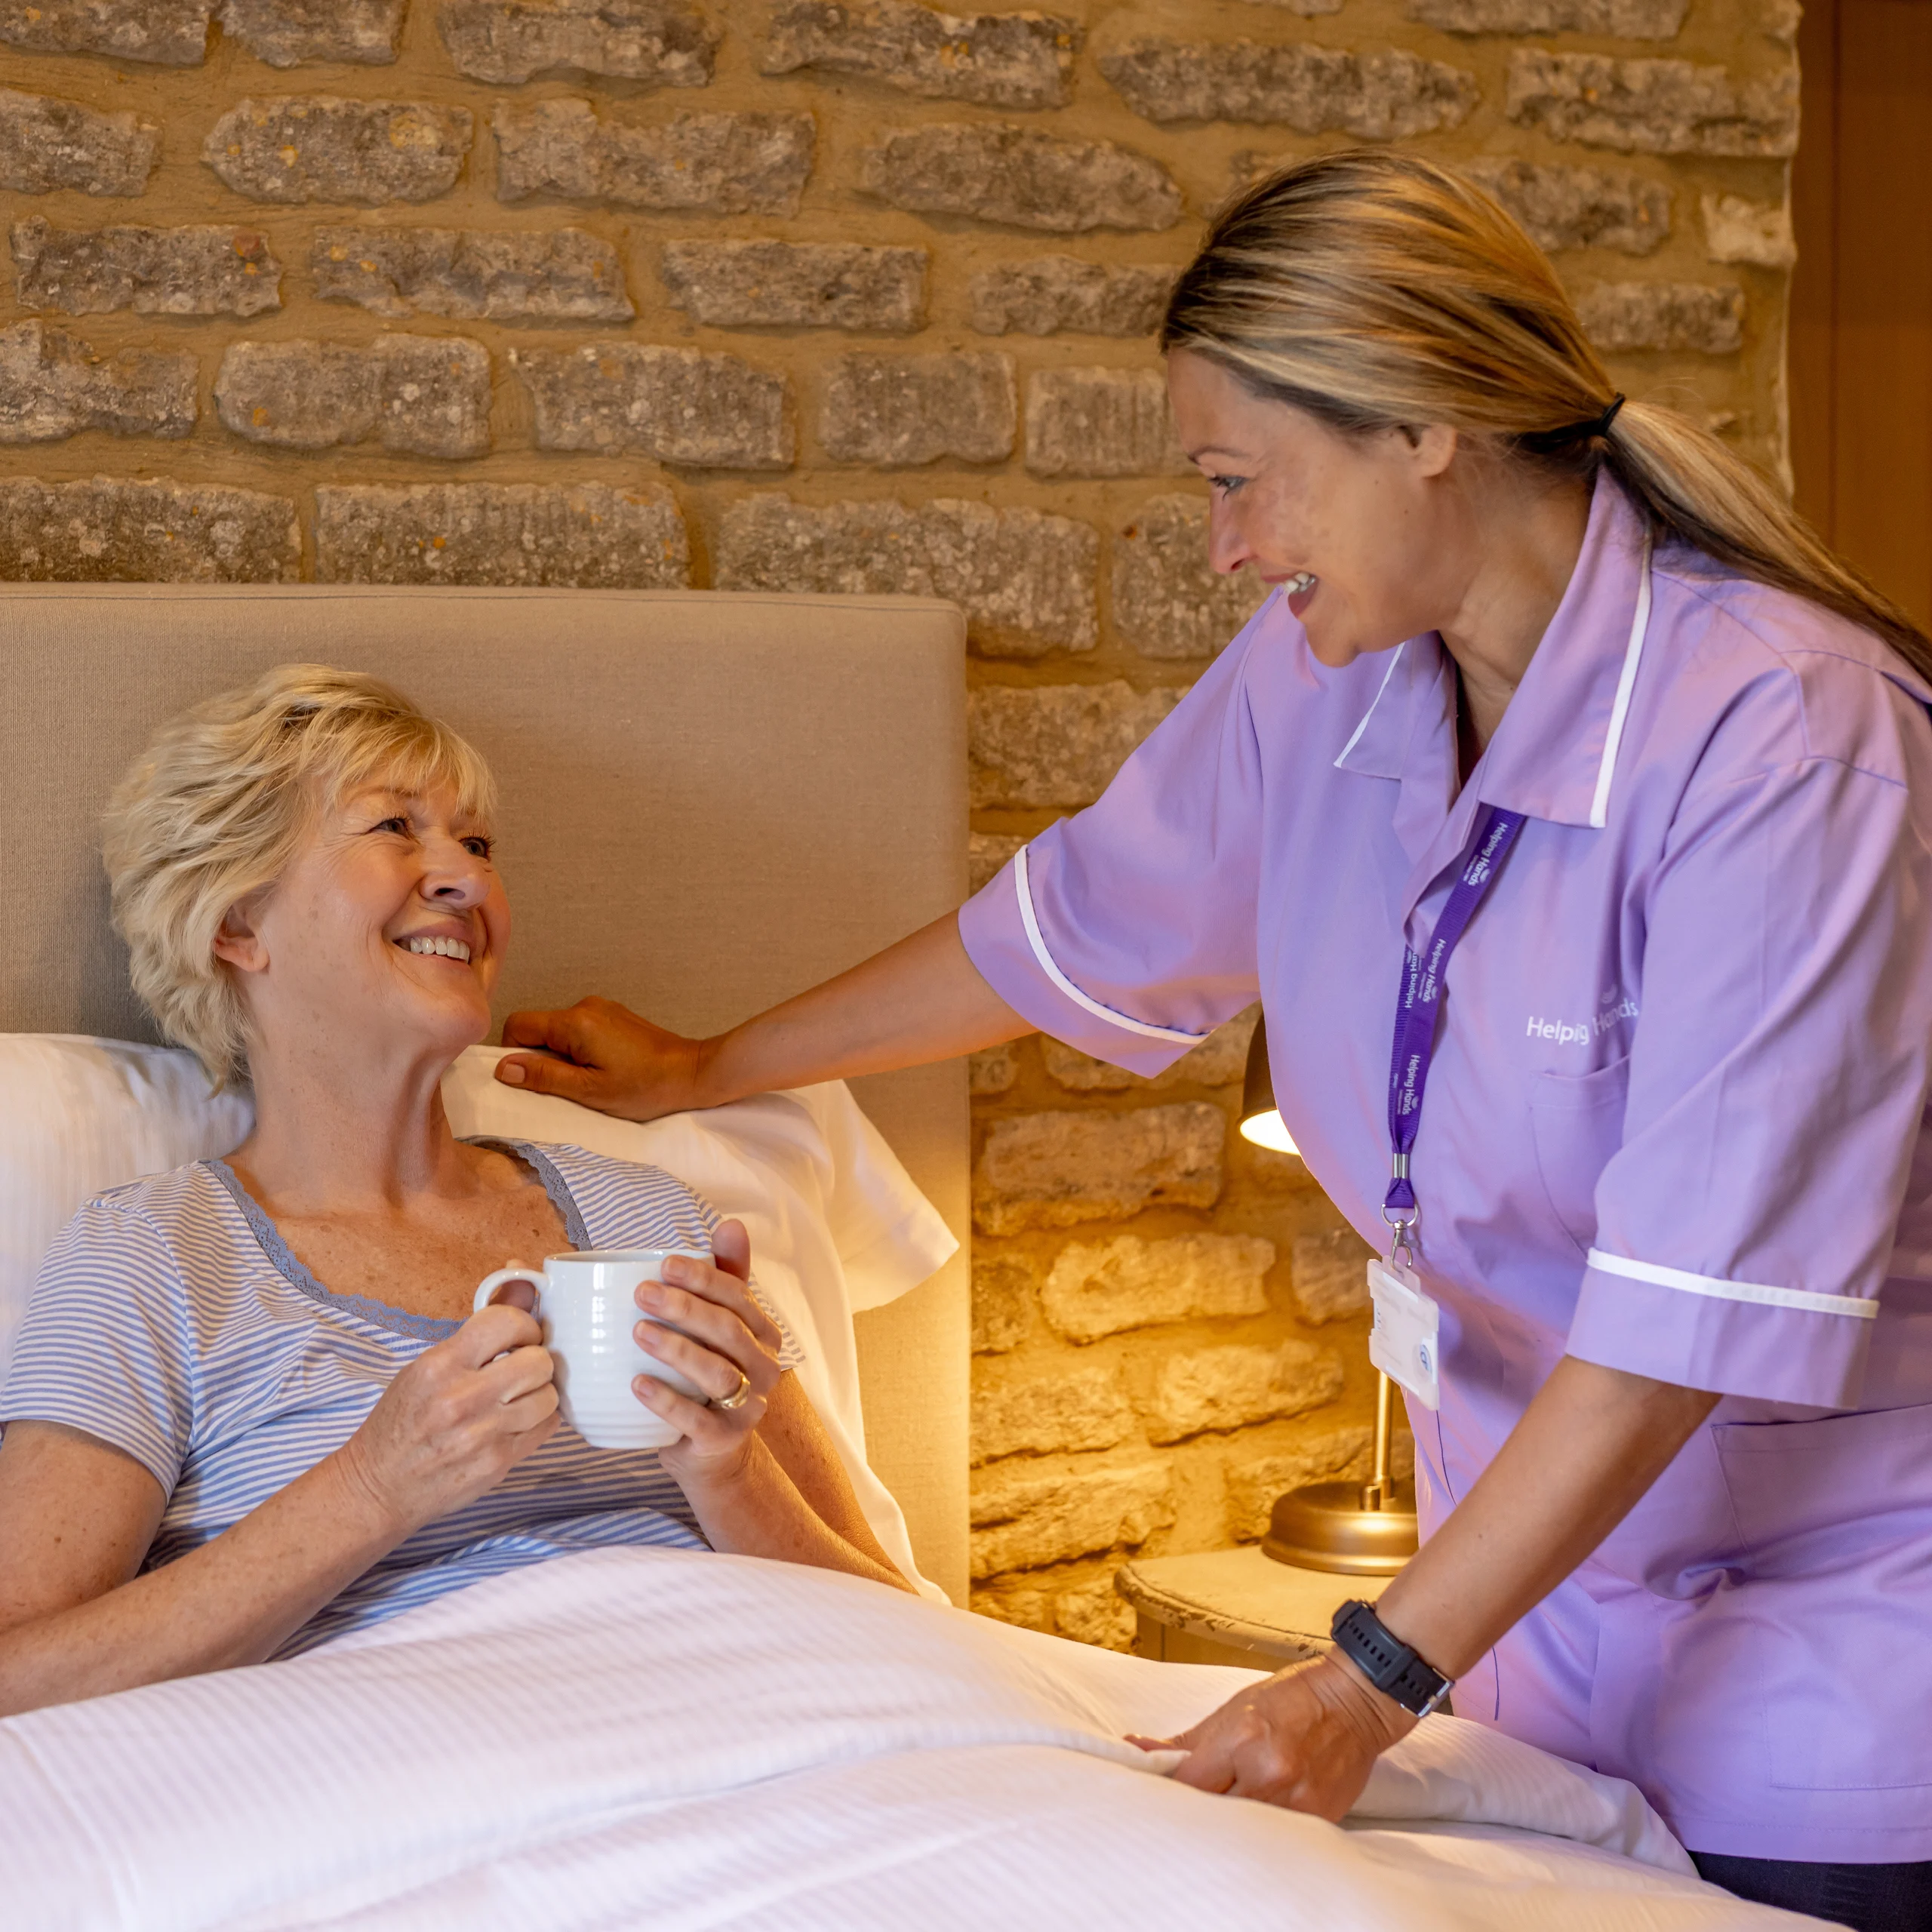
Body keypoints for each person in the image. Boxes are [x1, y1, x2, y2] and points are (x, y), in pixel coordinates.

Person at [485, 153, 1932, 1931]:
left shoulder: (1786, 738)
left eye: (1239, 482)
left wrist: (1362, 1674)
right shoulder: (1320, 678)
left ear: (1418, 421)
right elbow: (1067, 929)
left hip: (1835, 1650)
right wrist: (708, 1067)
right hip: (1529, 1645)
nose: (1225, 545)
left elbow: (1676, 1319)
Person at [0, 665, 909, 1718]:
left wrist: (728, 1475)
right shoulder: (151, 1262)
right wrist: (376, 1486)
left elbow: (890, 1611)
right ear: (236, 922)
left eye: (476, 846)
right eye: (396, 829)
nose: (467, 882)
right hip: (432, 1768)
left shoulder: (648, 1221)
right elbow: (21, 1681)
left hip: (772, 1722)